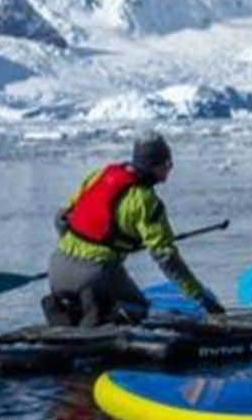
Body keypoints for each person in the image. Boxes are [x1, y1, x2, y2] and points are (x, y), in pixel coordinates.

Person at [45, 132, 223, 326]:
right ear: (154, 166)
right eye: (168, 164)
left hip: (56, 269)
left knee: (97, 285)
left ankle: (72, 308)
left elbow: (61, 220)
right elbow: (168, 260)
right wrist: (201, 298)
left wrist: (84, 250)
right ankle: (102, 315)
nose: (170, 169)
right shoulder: (146, 202)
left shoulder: (101, 174)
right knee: (139, 309)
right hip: (96, 274)